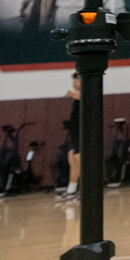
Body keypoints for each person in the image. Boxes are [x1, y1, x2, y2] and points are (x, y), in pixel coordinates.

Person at [56, 72, 82, 202]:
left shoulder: (86, 93)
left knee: (79, 160)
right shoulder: (75, 97)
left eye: (77, 81)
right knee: (72, 159)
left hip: (82, 131)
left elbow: (80, 96)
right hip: (74, 131)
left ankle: (86, 190)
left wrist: (71, 94)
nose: (75, 84)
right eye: (74, 82)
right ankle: (71, 190)